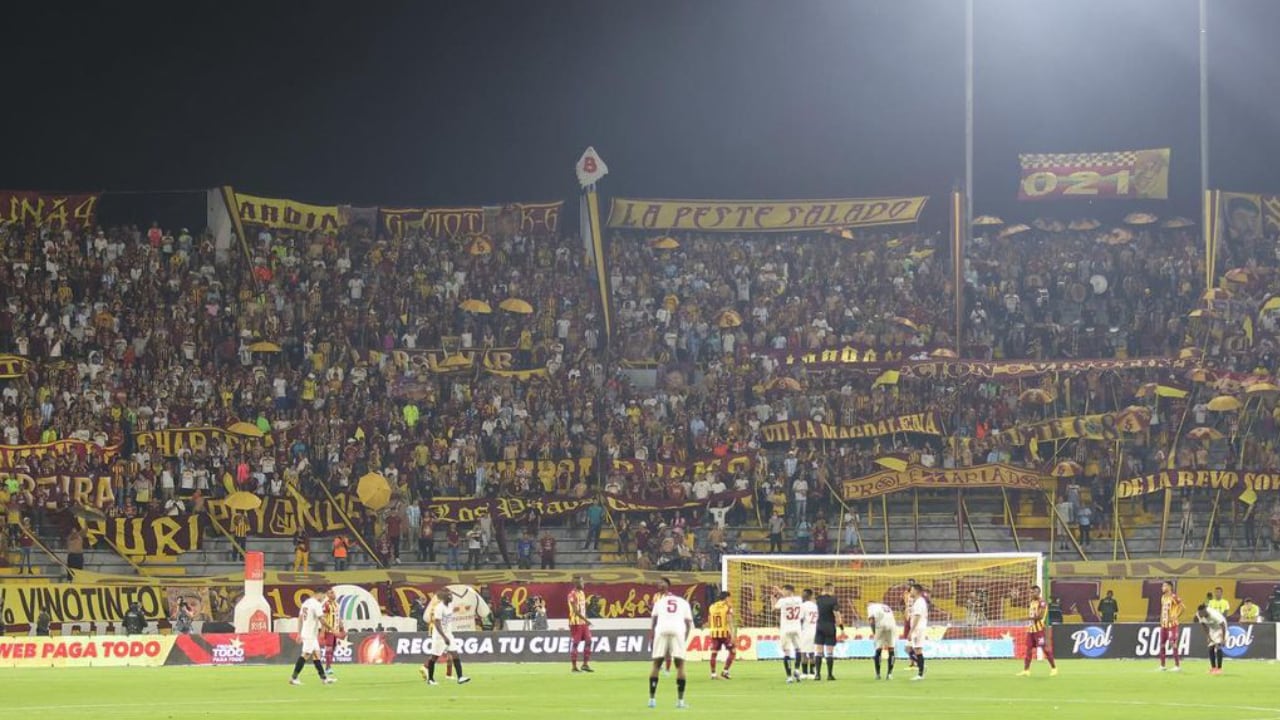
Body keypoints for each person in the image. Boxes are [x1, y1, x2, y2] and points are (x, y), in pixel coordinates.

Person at [647, 577, 693, 709]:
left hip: (661, 630)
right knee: (680, 666)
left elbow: (654, 621)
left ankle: (652, 699)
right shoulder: (683, 602)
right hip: (678, 630)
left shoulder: (659, 602)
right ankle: (680, 701)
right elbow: (688, 623)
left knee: (656, 665)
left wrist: (652, 636)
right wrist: (684, 638)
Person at [419, 588, 470, 685]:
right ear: (444, 597)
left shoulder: (450, 605)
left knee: (455, 654)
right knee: (434, 657)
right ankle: (430, 679)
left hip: (448, 634)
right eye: (449, 595)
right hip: (439, 635)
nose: (451, 597)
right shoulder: (439, 608)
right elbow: (437, 623)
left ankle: (460, 677)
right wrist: (444, 637)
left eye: (451, 594)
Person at [289, 590, 334, 685]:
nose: (323, 599)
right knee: (305, 655)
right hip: (310, 634)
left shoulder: (306, 603)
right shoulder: (316, 604)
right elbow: (322, 619)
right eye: (323, 597)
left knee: (317, 655)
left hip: (308, 633)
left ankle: (324, 679)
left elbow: (300, 618)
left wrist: (299, 633)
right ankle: (293, 678)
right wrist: (331, 628)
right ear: (320, 594)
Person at [1017, 585, 1058, 677]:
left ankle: (1054, 668)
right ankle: (1026, 670)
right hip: (1031, 629)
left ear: (1038, 592)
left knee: (1045, 649)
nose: (1031, 594)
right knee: (1028, 649)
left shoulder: (1042, 603)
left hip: (1039, 629)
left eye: (1033, 592)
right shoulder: (1032, 602)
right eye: (1030, 592)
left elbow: (1040, 616)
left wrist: (1026, 618)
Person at [771, 584, 804, 682]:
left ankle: (789, 677)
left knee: (787, 652)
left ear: (788, 591)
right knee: (798, 649)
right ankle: (797, 669)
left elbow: (773, 608)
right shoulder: (799, 599)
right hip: (797, 628)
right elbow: (789, 597)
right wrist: (780, 591)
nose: (783, 592)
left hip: (786, 629)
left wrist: (772, 598)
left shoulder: (782, 601)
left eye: (784, 590)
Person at [814, 582, 843, 680]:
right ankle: (829, 675)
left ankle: (817, 674)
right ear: (831, 589)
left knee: (818, 651)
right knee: (829, 652)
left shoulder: (818, 599)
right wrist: (841, 626)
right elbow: (836, 614)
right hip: (829, 626)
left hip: (819, 626)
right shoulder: (833, 600)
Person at [706, 590, 736, 680]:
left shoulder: (711, 607)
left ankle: (713, 674)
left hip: (714, 633)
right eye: (729, 598)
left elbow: (709, 621)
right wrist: (733, 635)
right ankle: (725, 671)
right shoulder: (727, 607)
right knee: (733, 651)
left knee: (714, 653)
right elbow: (730, 621)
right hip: (725, 633)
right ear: (726, 598)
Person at [567, 576, 594, 673]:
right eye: (581, 582)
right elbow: (575, 611)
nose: (583, 583)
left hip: (583, 623)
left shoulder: (582, 593)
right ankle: (574, 667)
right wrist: (586, 620)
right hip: (575, 623)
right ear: (576, 583)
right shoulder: (572, 595)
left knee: (589, 641)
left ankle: (585, 665)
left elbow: (582, 609)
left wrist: (585, 619)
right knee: (576, 643)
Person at [1194, 603, 1228, 675]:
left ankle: (1219, 669)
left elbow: (1223, 625)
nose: (1200, 614)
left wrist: (1223, 638)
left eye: (1201, 613)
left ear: (1205, 611)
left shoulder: (1214, 615)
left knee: (1218, 646)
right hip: (1212, 629)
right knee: (1210, 648)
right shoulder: (1199, 614)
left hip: (1220, 628)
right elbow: (1203, 625)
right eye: (1199, 613)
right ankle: (1213, 668)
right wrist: (1208, 636)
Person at [866, 600, 896, 680]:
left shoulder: (870, 607)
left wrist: (874, 632)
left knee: (878, 649)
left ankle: (878, 674)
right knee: (891, 648)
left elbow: (871, 621)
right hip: (892, 625)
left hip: (881, 625)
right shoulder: (884, 606)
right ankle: (889, 674)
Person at [1157, 581, 1183, 671]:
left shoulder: (1174, 597)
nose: (1162, 587)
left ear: (1169, 587)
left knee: (1173, 643)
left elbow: (1182, 607)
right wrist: (1161, 620)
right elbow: (1162, 610)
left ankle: (1177, 666)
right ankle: (1163, 665)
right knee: (1162, 644)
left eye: (1164, 586)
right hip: (1164, 624)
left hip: (1172, 625)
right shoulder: (1163, 597)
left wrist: (1176, 616)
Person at [321, 588, 345, 676]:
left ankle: (329, 666)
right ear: (328, 595)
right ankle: (327, 668)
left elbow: (338, 617)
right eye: (331, 593)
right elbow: (323, 618)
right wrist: (322, 631)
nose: (333, 594)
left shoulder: (337, 604)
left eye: (333, 592)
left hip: (336, 630)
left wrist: (342, 627)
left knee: (333, 648)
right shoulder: (326, 605)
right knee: (329, 648)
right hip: (329, 630)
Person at [908, 583, 928, 680]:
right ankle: (922, 668)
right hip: (917, 628)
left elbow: (917, 616)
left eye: (911, 590)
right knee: (912, 649)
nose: (910, 591)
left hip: (918, 628)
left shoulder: (920, 602)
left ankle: (921, 673)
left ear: (916, 591)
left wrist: (911, 631)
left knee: (918, 650)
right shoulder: (917, 601)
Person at [799, 588, 819, 679]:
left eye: (803, 594)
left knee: (803, 652)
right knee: (812, 652)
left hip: (806, 630)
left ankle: (804, 672)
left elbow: (800, 618)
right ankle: (812, 672)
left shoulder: (803, 606)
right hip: (815, 629)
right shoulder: (815, 606)